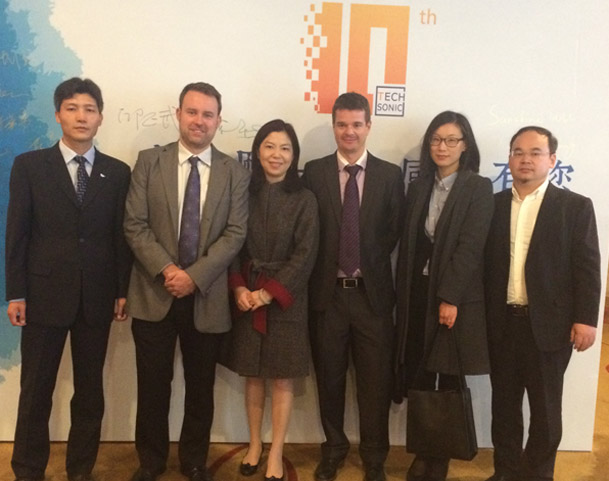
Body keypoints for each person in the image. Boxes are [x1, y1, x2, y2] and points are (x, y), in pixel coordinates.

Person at [5, 77, 132, 481]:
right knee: (35, 392)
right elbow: (17, 233)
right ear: (58, 114)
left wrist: (121, 290)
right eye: (73, 108)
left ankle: (80, 470)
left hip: (97, 297)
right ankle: (28, 470)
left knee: (90, 393)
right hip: (42, 295)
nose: (81, 116)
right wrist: (16, 293)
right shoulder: (30, 166)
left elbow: (120, 237)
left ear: (100, 118)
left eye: (89, 109)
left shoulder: (117, 172)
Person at [123, 82, 250, 481]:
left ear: (218, 121)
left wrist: (193, 277)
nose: (199, 121)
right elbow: (135, 224)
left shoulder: (235, 172)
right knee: (152, 388)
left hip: (206, 296)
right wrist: (168, 270)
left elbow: (235, 233)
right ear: (178, 114)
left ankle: (194, 460)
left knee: (200, 389)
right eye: (192, 112)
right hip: (153, 292)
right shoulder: (149, 161)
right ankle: (151, 461)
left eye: (208, 114)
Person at [484, 126, 601, 481]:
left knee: (546, 412)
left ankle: (537, 474)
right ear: (509, 159)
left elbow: (587, 266)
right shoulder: (492, 205)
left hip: (550, 327)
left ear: (552, 160)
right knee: (504, 408)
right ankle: (505, 472)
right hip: (502, 323)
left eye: (535, 152)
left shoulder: (575, 207)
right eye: (518, 152)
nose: (526, 159)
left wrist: (586, 318)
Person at [302, 92, 404, 481]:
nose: (349, 132)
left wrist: (365, 263)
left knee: (375, 383)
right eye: (342, 124)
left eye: (357, 124)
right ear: (333, 126)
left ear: (369, 126)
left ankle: (374, 456)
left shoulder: (390, 175)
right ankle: (333, 449)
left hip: (371, 297)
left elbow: (392, 231)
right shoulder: (314, 172)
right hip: (326, 297)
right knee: (329, 380)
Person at [393, 111, 494, 481]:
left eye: (452, 140)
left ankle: (441, 456)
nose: (443, 147)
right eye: (436, 139)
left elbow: (471, 247)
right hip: (418, 292)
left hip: (453, 295)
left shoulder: (477, 188)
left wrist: (450, 297)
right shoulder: (419, 186)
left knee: (448, 378)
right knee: (420, 371)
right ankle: (423, 452)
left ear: (465, 145)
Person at [225, 119, 319, 481]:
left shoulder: (305, 199)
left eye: (285, 148)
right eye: (269, 146)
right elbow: (232, 244)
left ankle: (276, 451)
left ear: (294, 155)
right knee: (252, 375)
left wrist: (269, 293)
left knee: (281, 378)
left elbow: (306, 255)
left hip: (285, 301)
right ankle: (254, 444)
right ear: (257, 151)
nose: (276, 155)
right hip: (247, 297)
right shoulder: (242, 193)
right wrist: (239, 289)